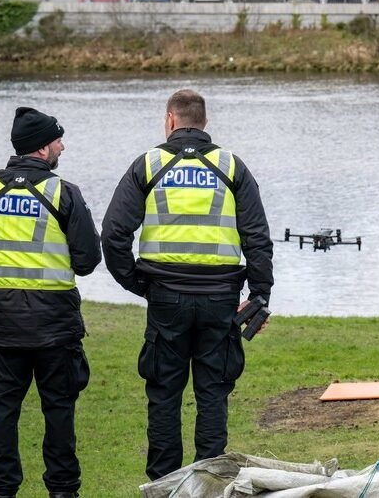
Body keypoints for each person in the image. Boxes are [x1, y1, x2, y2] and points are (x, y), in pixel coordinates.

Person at [101, 89, 274, 481]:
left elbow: (113, 235)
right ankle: (210, 484)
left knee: (164, 394)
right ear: (205, 123)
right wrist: (259, 297)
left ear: (170, 120)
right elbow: (257, 239)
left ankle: (164, 485)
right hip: (221, 299)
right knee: (213, 394)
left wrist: (137, 283)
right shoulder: (232, 167)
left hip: (165, 296)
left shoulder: (148, 165)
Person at [0, 107, 101, 498]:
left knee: (2, 411)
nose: (62, 146)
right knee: (59, 410)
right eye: (57, 140)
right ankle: (63, 491)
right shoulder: (63, 193)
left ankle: (1, 491)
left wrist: (5, 266)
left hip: (3, 324)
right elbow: (87, 260)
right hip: (55, 325)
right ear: (41, 149)